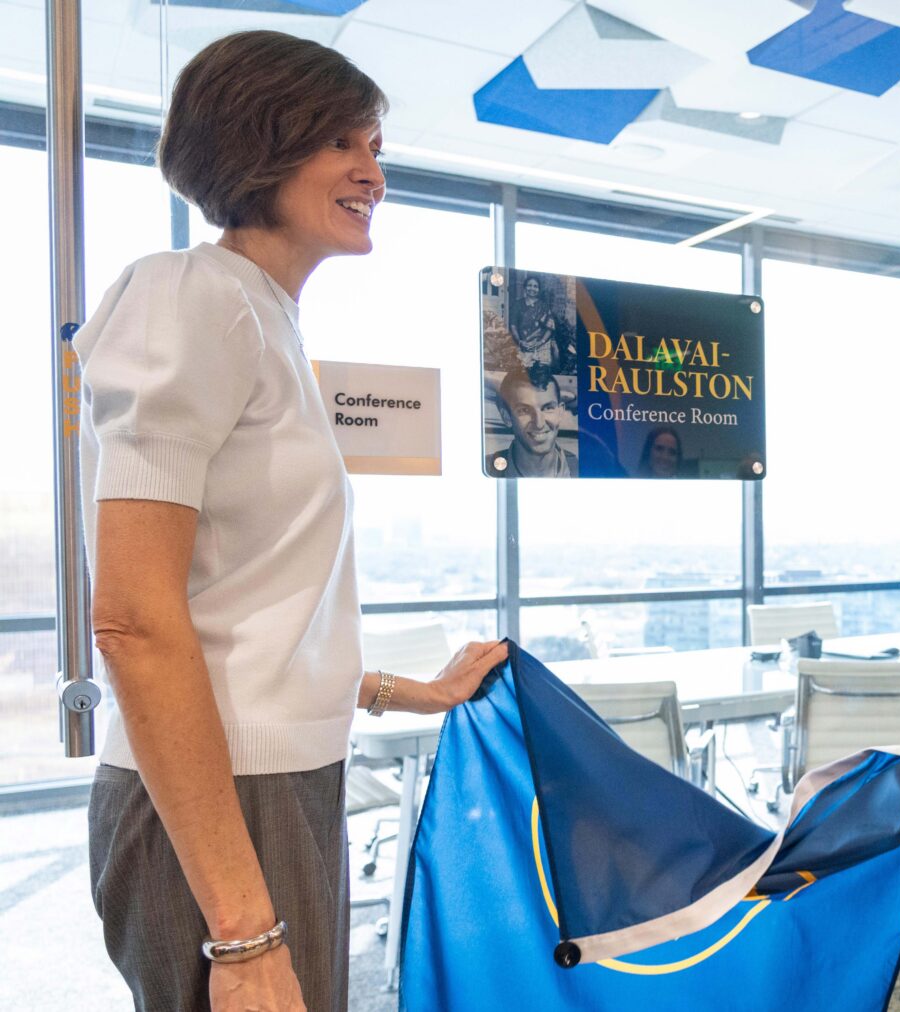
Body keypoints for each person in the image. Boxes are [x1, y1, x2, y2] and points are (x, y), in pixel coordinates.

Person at [76, 31, 508, 1010]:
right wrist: (241, 934)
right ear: (259, 145)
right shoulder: (193, 296)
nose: (373, 172)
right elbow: (136, 621)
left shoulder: (263, 317)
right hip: (225, 801)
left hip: (276, 785)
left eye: (376, 145)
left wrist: (411, 691)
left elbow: (243, 615)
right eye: (341, 142)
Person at [488, 365, 574, 477]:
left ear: (560, 412)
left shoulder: (583, 469)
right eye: (524, 410)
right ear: (506, 416)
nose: (539, 424)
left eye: (548, 408)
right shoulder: (486, 471)